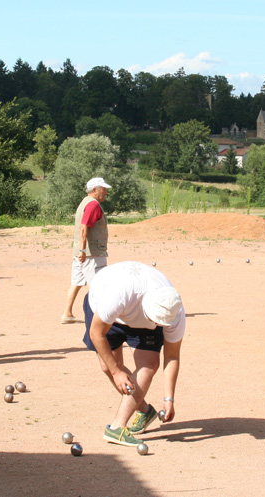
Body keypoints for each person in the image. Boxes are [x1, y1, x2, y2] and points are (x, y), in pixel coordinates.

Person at [83, 261, 186, 447]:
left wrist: (169, 398)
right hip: (106, 309)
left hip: (135, 310)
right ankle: (144, 410)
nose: (157, 324)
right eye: (155, 319)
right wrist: (116, 371)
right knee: (108, 365)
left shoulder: (174, 312)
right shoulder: (120, 294)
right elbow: (96, 333)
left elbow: (172, 356)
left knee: (149, 364)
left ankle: (117, 427)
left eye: (160, 323)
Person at [61, 177, 111, 324]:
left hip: (80, 253)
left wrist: (80, 250)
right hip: (91, 253)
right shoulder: (93, 204)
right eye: (104, 189)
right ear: (95, 190)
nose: (106, 192)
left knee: (76, 283)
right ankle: (100, 317)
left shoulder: (84, 202)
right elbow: (84, 227)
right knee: (98, 284)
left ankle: (67, 313)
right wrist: (83, 250)